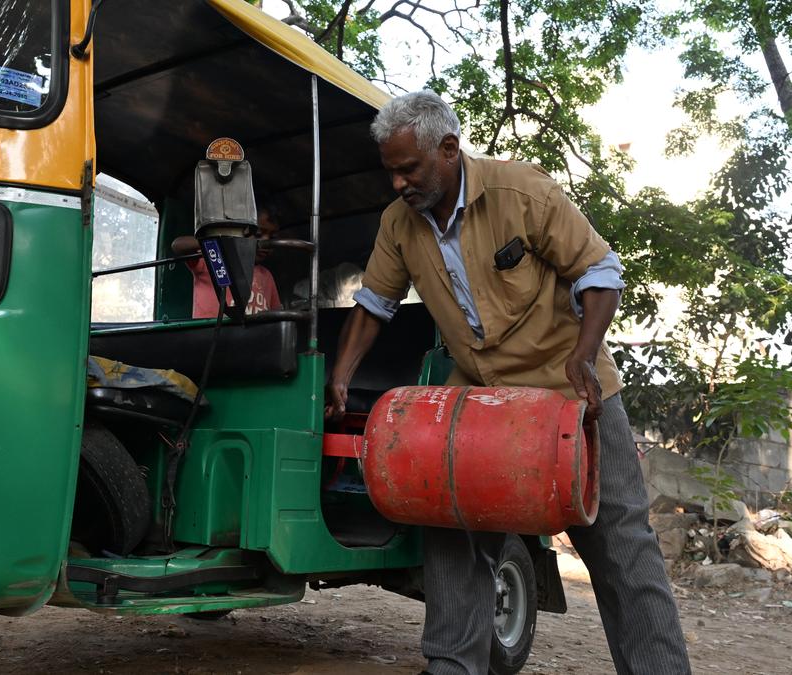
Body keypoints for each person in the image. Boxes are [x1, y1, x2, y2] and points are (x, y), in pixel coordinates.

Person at [325, 91, 691, 675]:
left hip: (571, 390)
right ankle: (452, 667)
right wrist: (341, 376)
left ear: (449, 149)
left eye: (408, 169)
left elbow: (600, 272)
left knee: (620, 543)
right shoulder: (399, 222)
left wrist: (584, 354)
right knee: (454, 531)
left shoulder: (522, 190)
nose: (397, 183)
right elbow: (374, 304)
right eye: (390, 171)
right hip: (480, 400)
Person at [172, 205, 282, 318]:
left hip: (254, 329)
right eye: (258, 234)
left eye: (272, 237)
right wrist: (219, 242)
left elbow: (275, 313)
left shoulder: (266, 275)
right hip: (212, 329)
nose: (266, 242)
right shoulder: (213, 257)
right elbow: (178, 245)